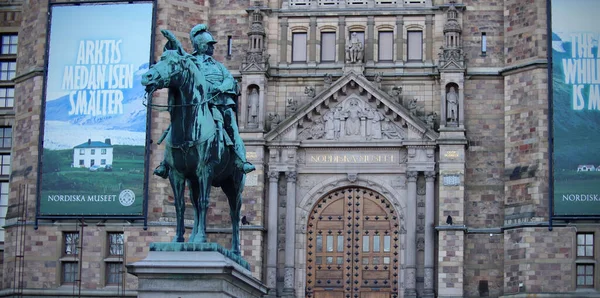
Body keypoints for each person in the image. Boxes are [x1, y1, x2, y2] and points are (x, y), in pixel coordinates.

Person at [154, 24, 255, 178]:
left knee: (232, 127)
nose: (212, 48)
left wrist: (221, 87)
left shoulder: (218, 66)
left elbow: (231, 81)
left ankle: (241, 160)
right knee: (174, 125)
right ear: (201, 45)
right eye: (209, 45)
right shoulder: (189, 62)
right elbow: (176, 61)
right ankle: (165, 163)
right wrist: (173, 43)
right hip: (194, 105)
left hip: (217, 104)